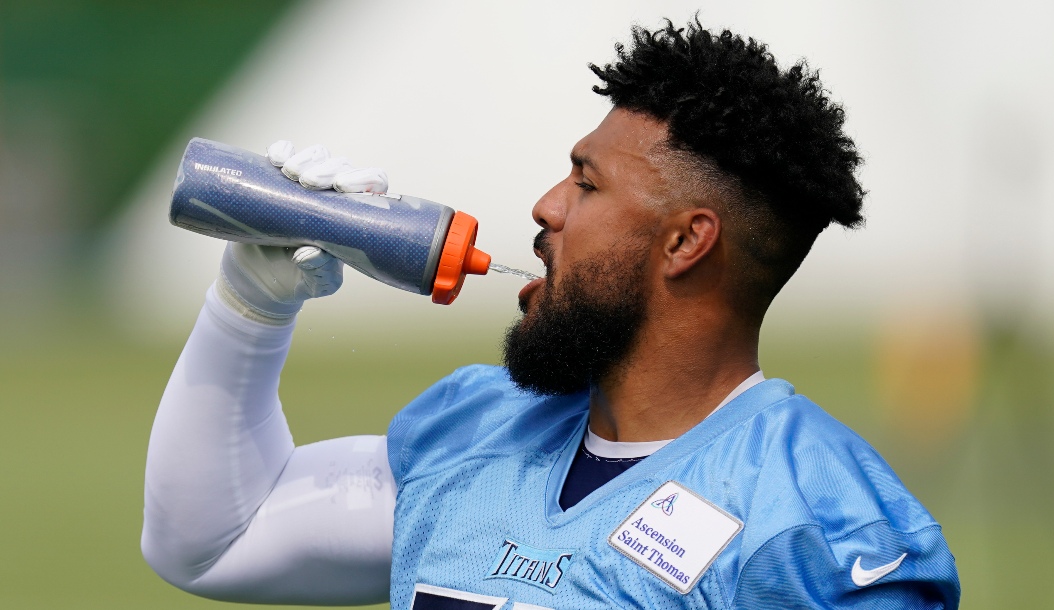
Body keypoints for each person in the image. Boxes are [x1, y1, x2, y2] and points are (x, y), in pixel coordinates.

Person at [142, 19, 961, 609]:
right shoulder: (481, 425)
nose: (545, 207)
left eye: (587, 182)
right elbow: (216, 539)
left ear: (685, 241)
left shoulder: (813, 522)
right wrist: (250, 304)